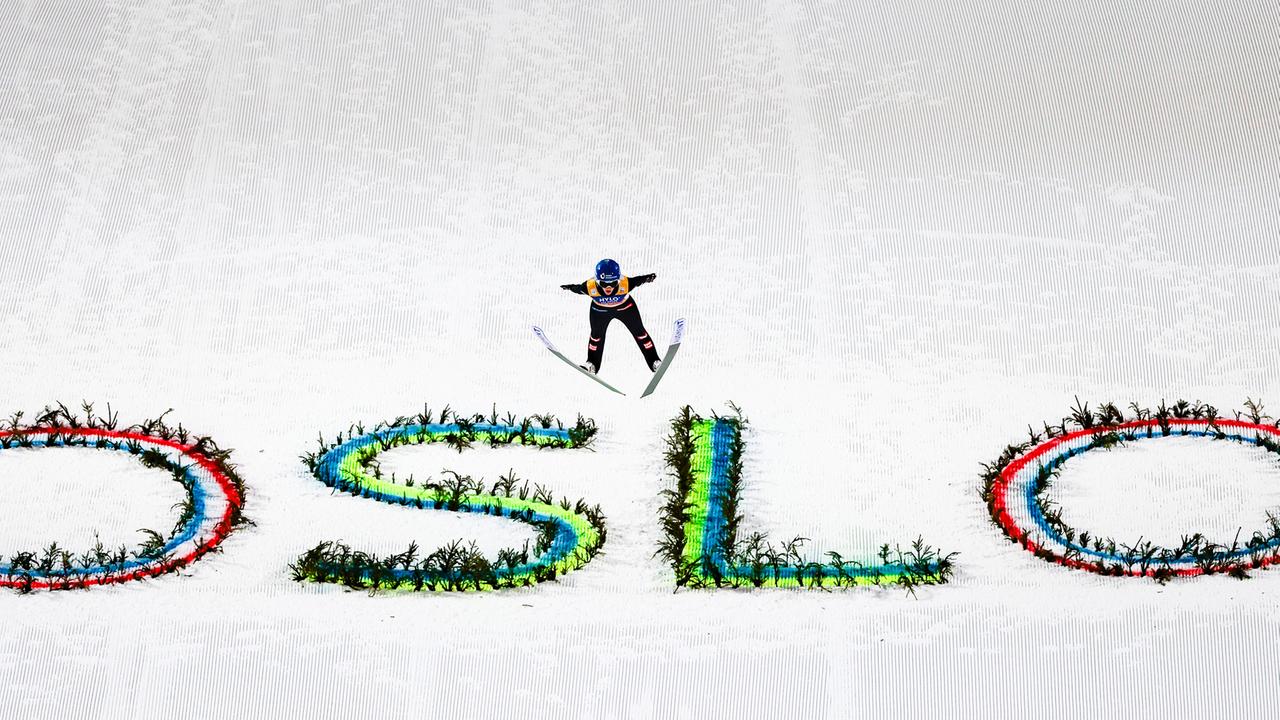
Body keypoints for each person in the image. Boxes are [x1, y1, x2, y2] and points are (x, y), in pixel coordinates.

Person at [559, 259, 661, 374]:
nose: (609, 287)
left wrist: (647, 278)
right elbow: (577, 289)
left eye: (613, 283)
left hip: (625, 308)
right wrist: (570, 287)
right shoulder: (589, 286)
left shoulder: (625, 283)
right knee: (596, 337)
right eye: (603, 283)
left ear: (619, 279)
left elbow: (638, 280)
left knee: (640, 333)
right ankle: (592, 364)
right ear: (597, 281)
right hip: (600, 311)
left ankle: (654, 361)